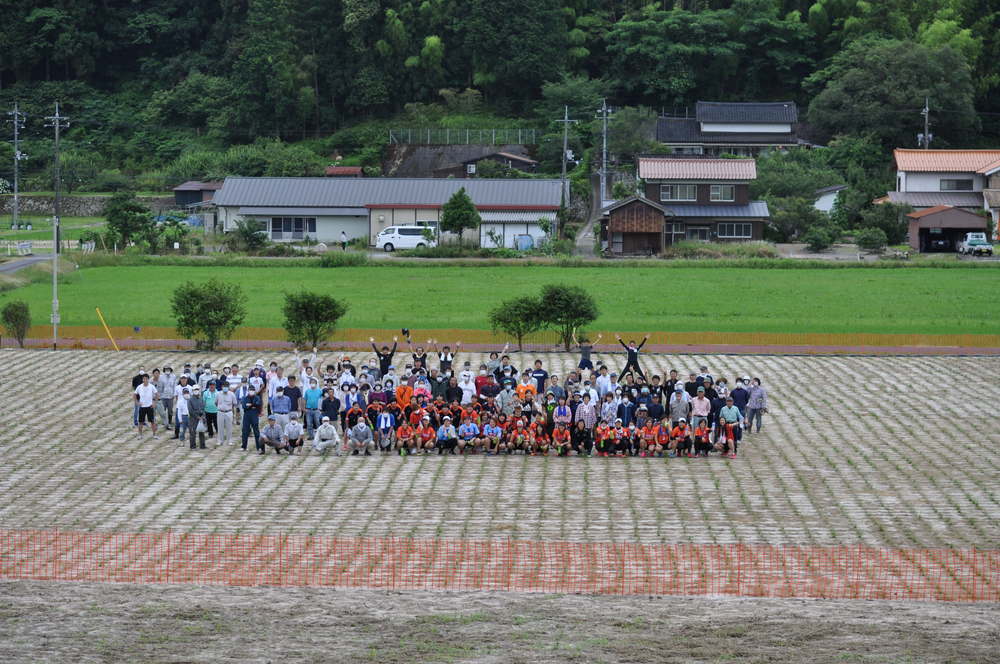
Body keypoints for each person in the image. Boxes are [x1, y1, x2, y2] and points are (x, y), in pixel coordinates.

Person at [133, 373, 159, 438]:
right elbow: (134, 395)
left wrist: (154, 403)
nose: (145, 380)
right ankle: (140, 435)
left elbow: (157, 394)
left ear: (148, 379)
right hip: (142, 407)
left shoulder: (151, 386)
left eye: (146, 379)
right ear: (142, 379)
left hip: (150, 406)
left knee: (152, 421)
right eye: (144, 379)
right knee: (141, 422)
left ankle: (154, 434)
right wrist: (137, 402)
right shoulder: (139, 387)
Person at [241, 388, 263, 452]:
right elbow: (244, 406)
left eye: (253, 390)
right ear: (248, 391)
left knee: (256, 431)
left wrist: (250, 405)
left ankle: (258, 447)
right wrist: (253, 405)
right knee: (245, 431)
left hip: (254, 415)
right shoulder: (244, 398)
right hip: (247, 415)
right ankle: (244, 446)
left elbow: (258, 404)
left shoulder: (257, 397)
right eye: (250, 390)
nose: (251, 392)